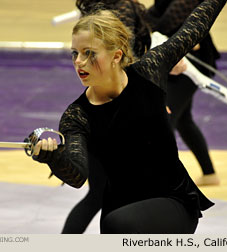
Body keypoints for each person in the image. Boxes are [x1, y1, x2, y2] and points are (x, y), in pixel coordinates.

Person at [33, 0, 227, 233]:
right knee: (114, 223)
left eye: (89, 53)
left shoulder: (149, 72)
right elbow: (77, 175)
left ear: (116, 56)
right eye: (75, 53)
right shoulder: (77, 115)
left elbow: (197, 25)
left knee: (118, 225)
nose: (78, 62)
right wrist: (52, 156)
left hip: (172, 200)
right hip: (120, 209)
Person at [60, 0, 152, 234]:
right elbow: (125, 63)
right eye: (76, 54)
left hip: (105, 108)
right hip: (114, 113)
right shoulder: (118, 10)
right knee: (122, 194)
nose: (78, 61)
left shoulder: (101, 8)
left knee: (102, 195)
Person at [145, 0, 221, 186]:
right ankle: (209, 174)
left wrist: (139, 22)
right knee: (183, 120)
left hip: (190, 63)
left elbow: (167, 22)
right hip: (172, 60)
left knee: (165, 119)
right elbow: (154, 15)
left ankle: (161, 180)